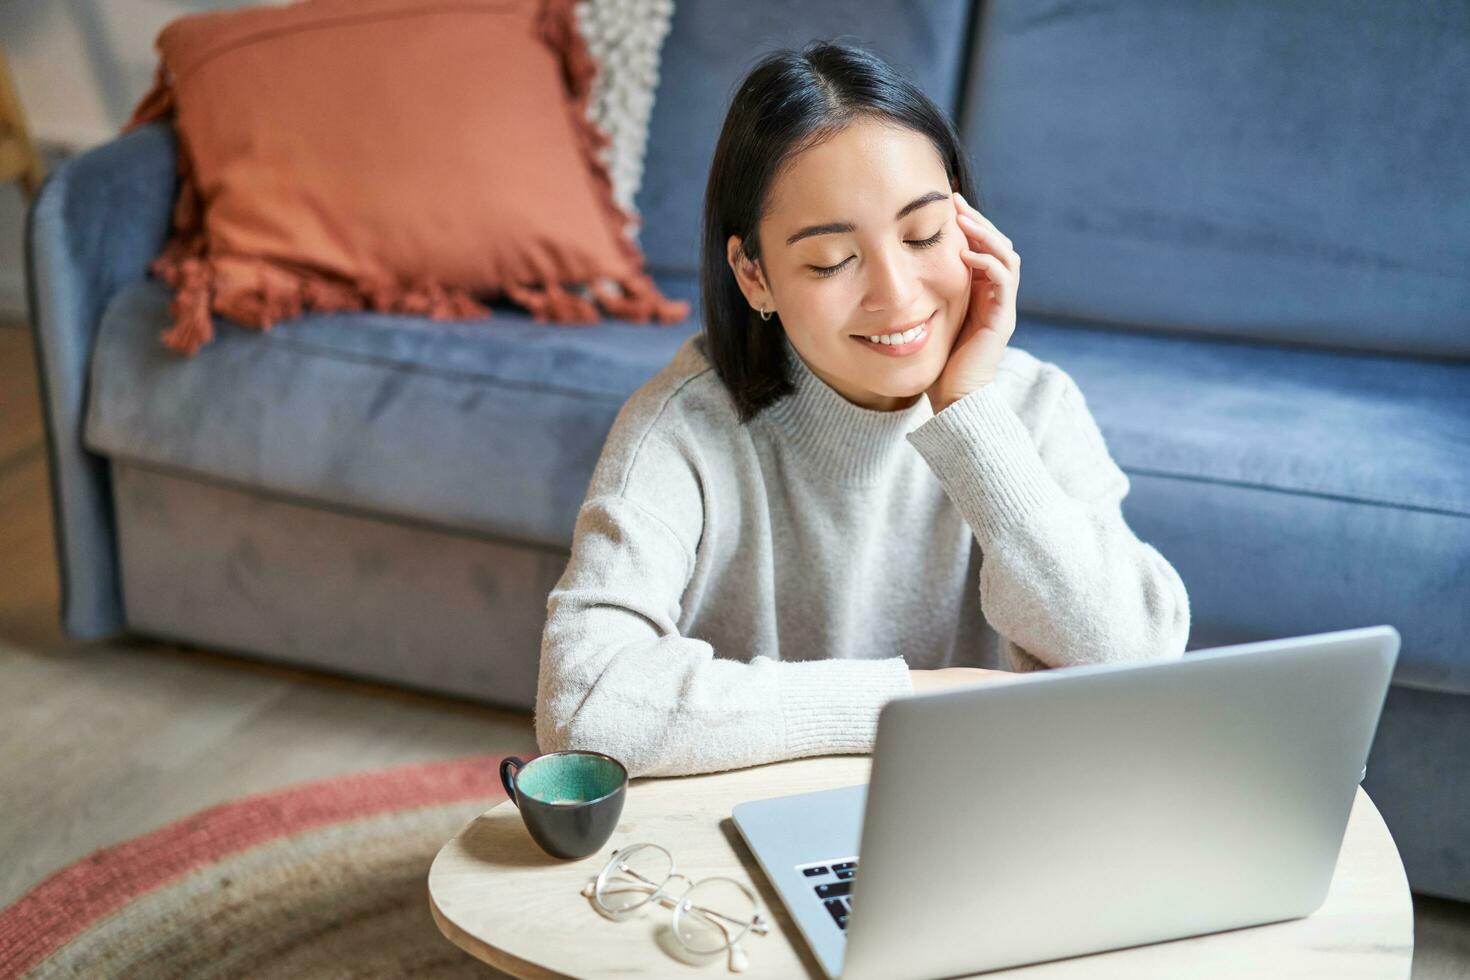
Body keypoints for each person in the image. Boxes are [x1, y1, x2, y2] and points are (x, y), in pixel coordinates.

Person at [534, 40, 1191, 779]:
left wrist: (970, 415)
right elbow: (585, 703)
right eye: (831, 260)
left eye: (923, 234)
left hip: (974, 815)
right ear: (755, 276)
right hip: (747, 825)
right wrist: (910, 700)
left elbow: (1135, 659)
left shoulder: (1034, 406)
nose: (898, 294)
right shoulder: (683, 430)